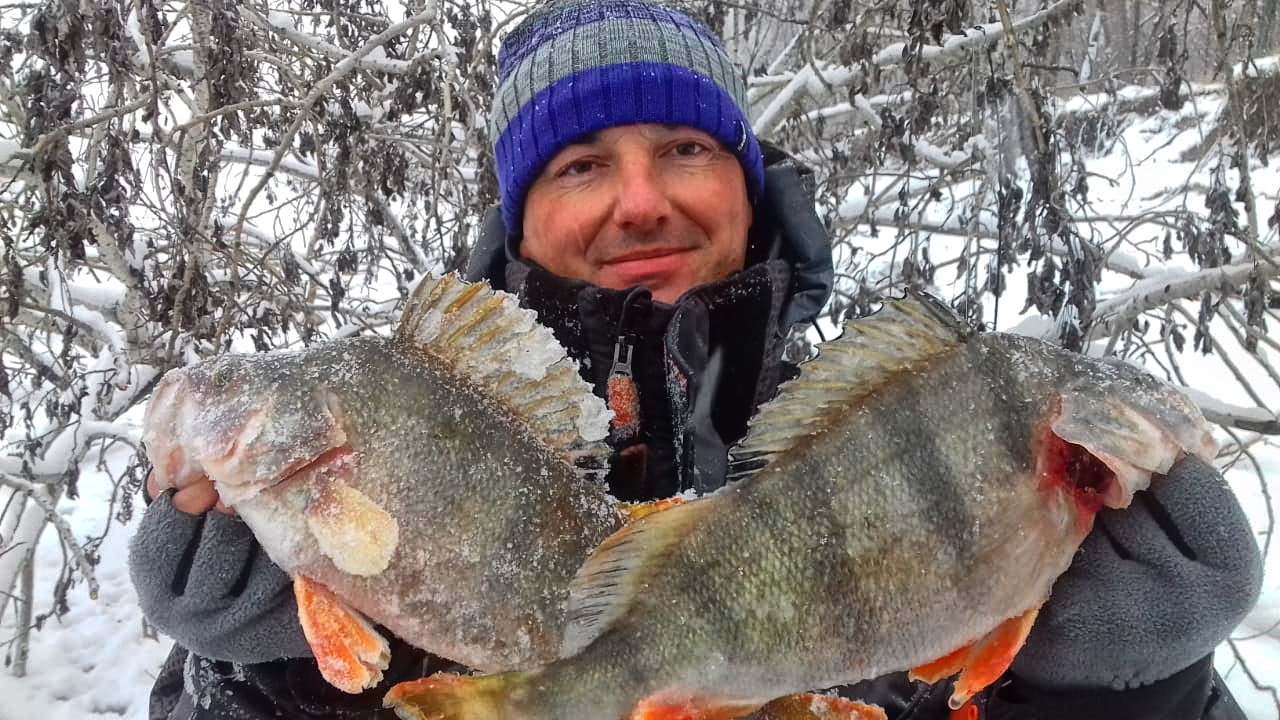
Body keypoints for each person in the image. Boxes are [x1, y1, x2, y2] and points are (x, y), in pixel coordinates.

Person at [128, 1, 1263, 718]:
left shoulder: (875, 431)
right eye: (577, 164)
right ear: (516, 218)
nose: (639, 200)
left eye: (682, 147)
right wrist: (259, 680)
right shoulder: (406, 416)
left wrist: (1131, 694)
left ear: (745, 182)